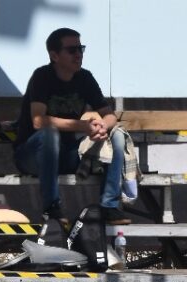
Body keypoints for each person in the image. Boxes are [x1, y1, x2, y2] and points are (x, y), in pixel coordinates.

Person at [12, 27, 129, 225]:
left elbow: (110, 115)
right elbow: (38, 121)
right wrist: (83, 126)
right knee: (49, 134)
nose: (78, 54)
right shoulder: (42, 76)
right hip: (32, 156)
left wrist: (102, 127)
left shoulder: (85, 78)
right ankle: (51, 207)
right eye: (72, 50)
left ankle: (109, 206)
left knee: (117, 135)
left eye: (80, 49)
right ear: (54, 56)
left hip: (68, 156)